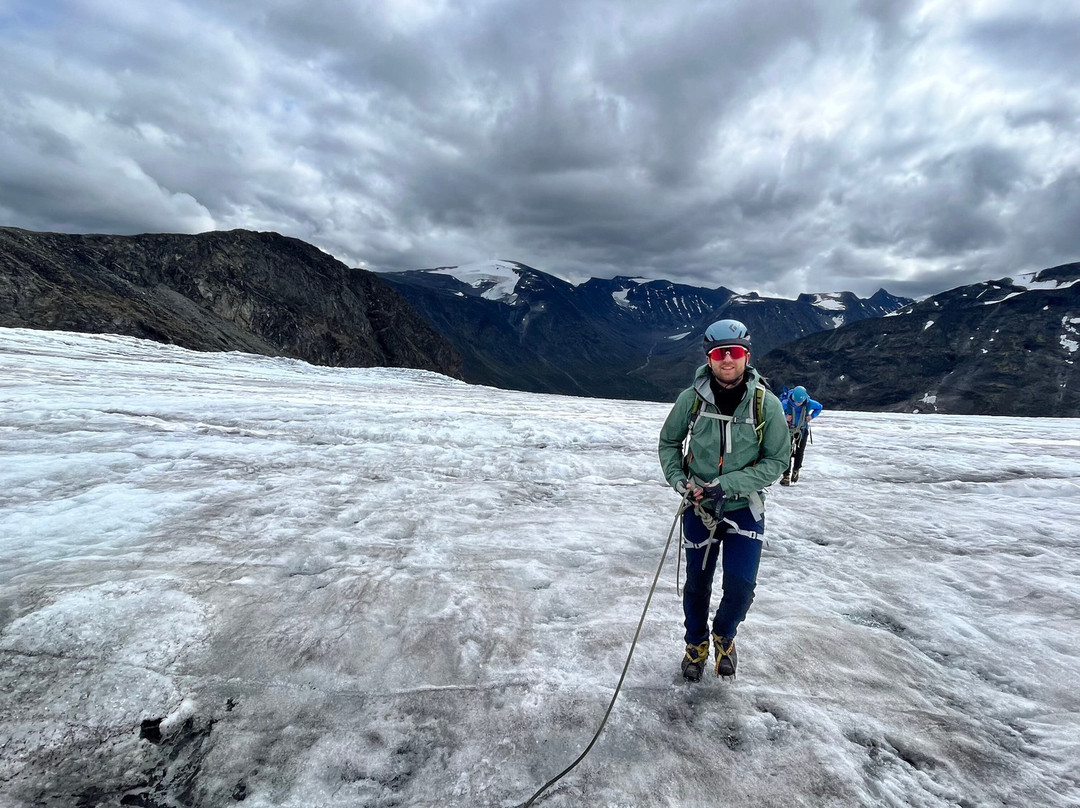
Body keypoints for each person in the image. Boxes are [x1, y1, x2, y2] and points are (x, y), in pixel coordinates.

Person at [658, 319, 789, 681]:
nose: (727, 360)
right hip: (699, 507)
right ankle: (695, 646)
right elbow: (669, 443)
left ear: (746, 356)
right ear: (709, 357)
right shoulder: (692, 400)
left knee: (741, 587)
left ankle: (724, 636)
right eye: (719, 353)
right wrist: (680, 481)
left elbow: (777, 461)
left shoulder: (767, 405)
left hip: (743, 507)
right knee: (697, 586)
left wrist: (727, 484)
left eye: (734, 353)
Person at [781, 385, 822, 486]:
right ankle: (786, 475)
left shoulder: (809, 403)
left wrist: (811, 416)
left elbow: (819, 407)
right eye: (796, 402)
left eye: (800, 402)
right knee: (787, 452)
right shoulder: (785, 403)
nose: (798, 404)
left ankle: (796, 470)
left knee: (800, 452)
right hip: (789, 431)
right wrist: (785, 417)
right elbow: (778, 412)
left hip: (802, 430)